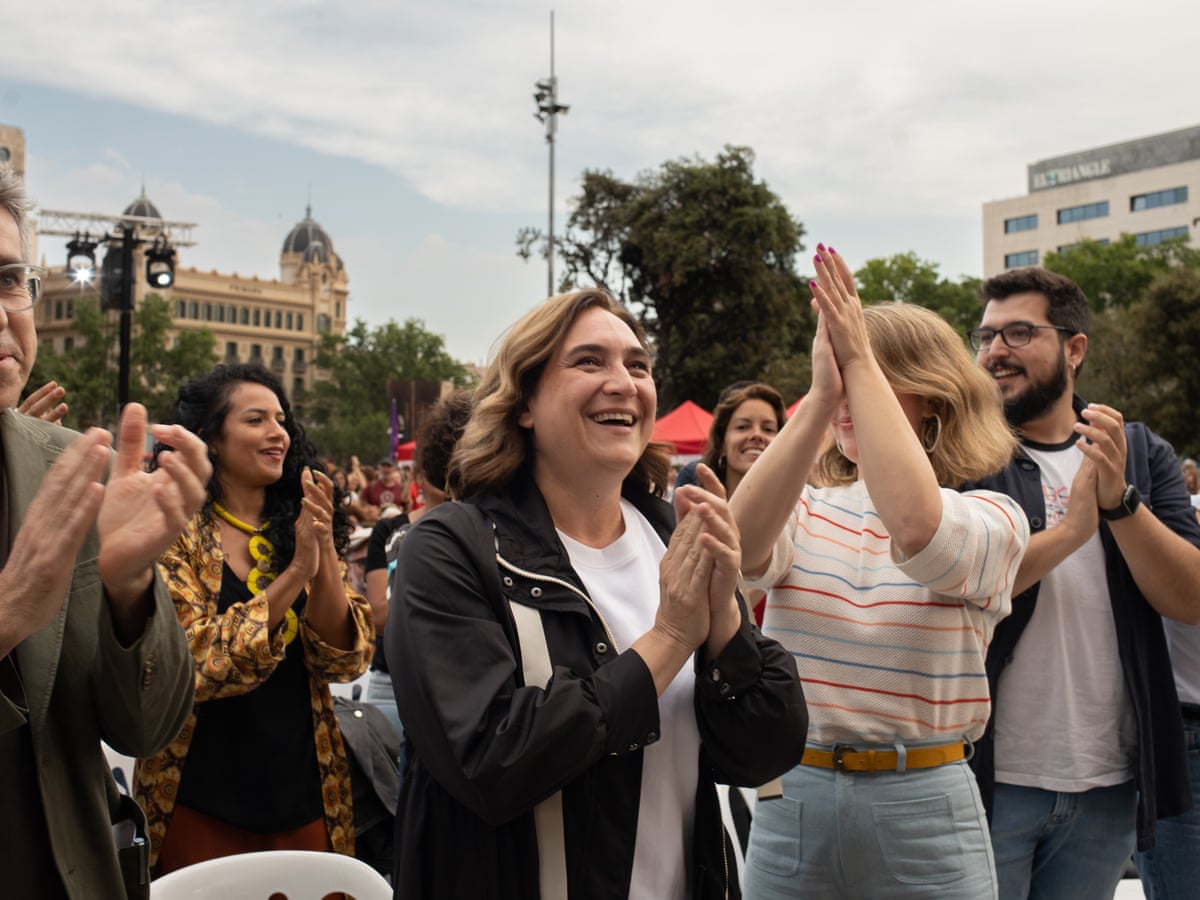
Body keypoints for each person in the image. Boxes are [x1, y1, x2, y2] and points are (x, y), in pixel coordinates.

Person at [386, 289, 808, 899]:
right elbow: (490, 762)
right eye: (589, 362)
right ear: (525, 402)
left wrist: (722, 623)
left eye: (637, 365)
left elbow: (765, 751)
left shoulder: (672, 533)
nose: (623, 382)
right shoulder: (450, 549)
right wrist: (668, 641)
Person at [731, 245, 1030, 899]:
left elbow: (920, 531)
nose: (846, 390)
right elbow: (741, 551)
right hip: (795, 796)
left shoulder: (995, 516)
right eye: (837, 369)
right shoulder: (804, 507)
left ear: (933, 398)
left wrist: (860, 356)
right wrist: (818, 398)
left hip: (925, 803)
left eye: (865, 372)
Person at [0, 165, 210, 898]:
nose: (2, 313)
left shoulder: (71, 469)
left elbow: (147, 729)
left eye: (8, 279)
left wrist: (130, 593)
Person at [966, 266, 1200, 900]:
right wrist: (1072, 528)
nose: (994, 353)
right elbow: (961, 586)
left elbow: (1189, 598)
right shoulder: (965, 455)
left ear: (1075, 348)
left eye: (1018, 333)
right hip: (988, 779)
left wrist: (1121, 504)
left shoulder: (1139, 451)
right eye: (985, 336)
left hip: (1108, 785)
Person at [133, 363, 375, 875]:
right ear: (212, 441)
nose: (277, 433)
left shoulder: (298, 524)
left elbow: (345, 659)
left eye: (281, 420)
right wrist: (294, 577)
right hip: (199, 794)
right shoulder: (174, 528)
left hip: (305, 789)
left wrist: (321, 552)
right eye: (255, 419)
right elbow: (192, 660)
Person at [365, 389, 472, 741]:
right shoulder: (392, 532)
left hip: (461, 688)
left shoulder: (483, 530)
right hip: (390, 683)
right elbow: (378, 619)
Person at [699, 382, 787, 624]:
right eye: (742, 426)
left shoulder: (803, 518)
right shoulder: (698, 514)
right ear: (723, 444)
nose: (757, 435)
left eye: (769, 429)